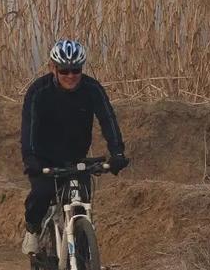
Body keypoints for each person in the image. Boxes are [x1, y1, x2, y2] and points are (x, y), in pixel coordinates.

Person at [19, 39, 128, 255]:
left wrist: (117, 152)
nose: (71, 76)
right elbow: (28, 126)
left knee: (83, 201)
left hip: (76, 158)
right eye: (65, 70)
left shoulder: (92, 88)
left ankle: (85, 262)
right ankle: (32, 229)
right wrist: (30, 158)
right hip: (44, 159)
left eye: (76, 70)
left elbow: (108, 119)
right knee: (41, 193)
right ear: (53, 68)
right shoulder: (38, 91)